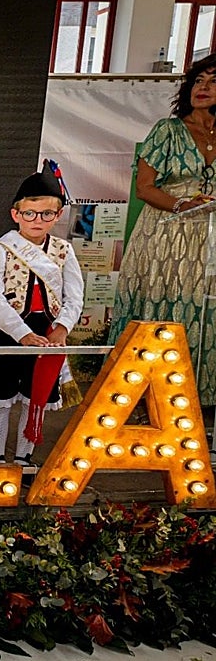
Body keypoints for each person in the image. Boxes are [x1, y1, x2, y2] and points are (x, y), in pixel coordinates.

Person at [111, 53, 216, 405]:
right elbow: (144, 187)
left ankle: (197, 397)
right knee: (164, 306)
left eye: (213, 81)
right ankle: (148, 396)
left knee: (205, 312)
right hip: (166, 232)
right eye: (199, 80)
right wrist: (181, 205)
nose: (203, 88)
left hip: (210, 236)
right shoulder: (168, 130)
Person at [0, 161, 83, 467]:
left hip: (48, 334)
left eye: (47, 214)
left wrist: (61, 328)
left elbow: (74, 295)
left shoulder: (64, 250)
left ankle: (24, 457)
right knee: (0, 397)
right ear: (16, 214)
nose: (37, 220)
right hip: (9, 332)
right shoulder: (2, 247)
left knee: (34, 397)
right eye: (30, 213)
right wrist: (21, 333)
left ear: (57, 215)